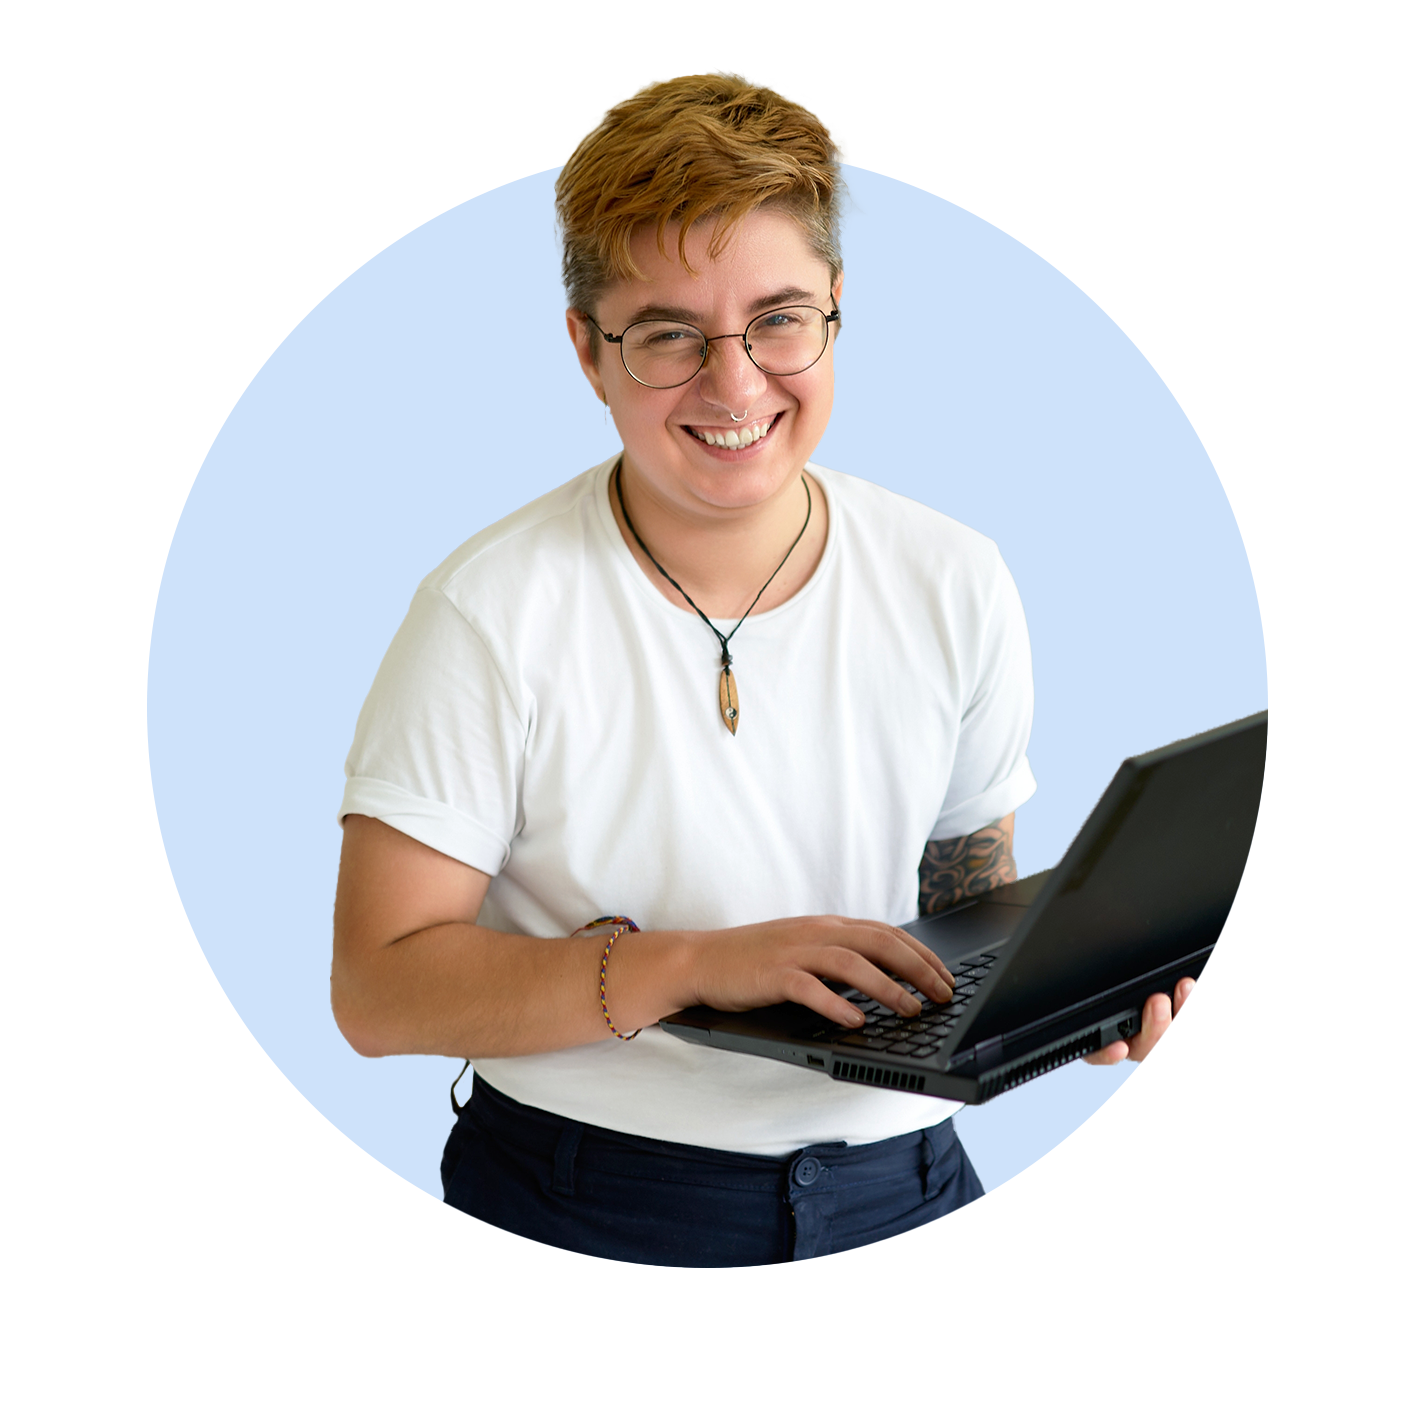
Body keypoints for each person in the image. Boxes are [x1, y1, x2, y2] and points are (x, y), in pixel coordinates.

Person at [330, 70, 1194, 1267]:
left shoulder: (954, 573)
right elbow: (377, 991)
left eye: (777, 319)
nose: (734, 385)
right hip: (584, 1205)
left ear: (835, 307)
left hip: (910, 1188)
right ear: (587, 349)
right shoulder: (486, 613)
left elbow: (958, 894)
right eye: (667, 335)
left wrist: (1059, 993)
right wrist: (693, 963)